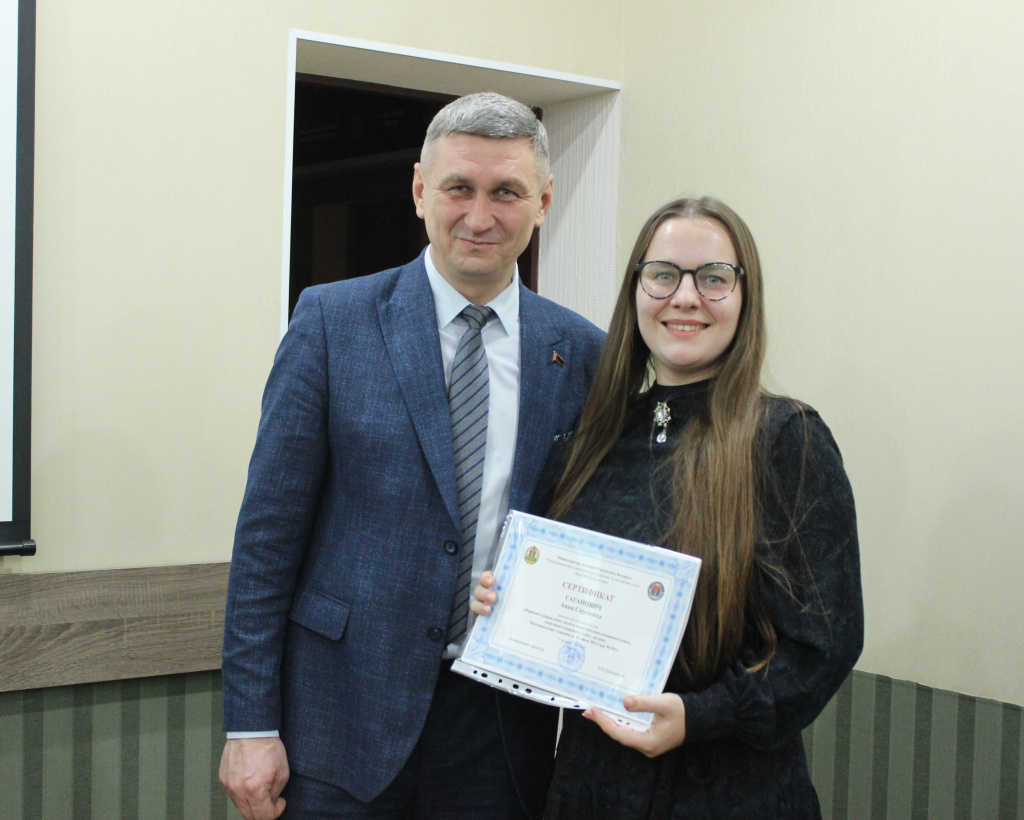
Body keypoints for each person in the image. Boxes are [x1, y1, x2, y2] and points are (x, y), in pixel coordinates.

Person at [219, 92, 605, 820]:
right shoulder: (332, 322)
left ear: (544, 201)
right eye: (459, 187)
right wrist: (250, 725)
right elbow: (267, 539)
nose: (480, 216)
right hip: (339, 723)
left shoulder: (583, 352)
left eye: (506, 192)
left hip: (498, 732)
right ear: (421, 190)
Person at [473, 197, 863, 818]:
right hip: (588, 788)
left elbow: (823, 646)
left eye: (713, 278)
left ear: (744, 296)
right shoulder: (590, 440)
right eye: (663, 275)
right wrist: (507, 603)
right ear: (636, 290)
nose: (685, 297)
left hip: (728, 793)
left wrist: (700, 716)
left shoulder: (785, 439)